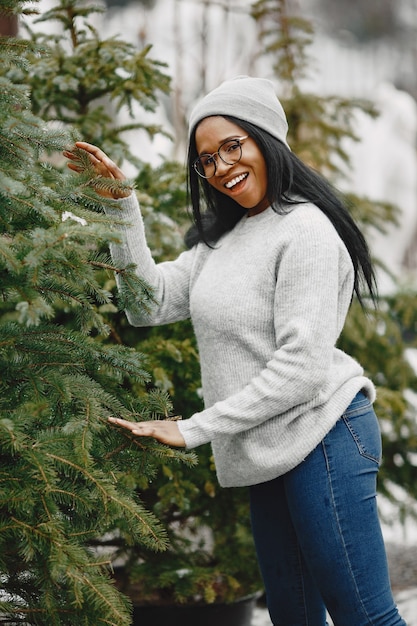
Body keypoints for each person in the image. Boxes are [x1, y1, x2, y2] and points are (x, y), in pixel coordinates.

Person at [65, 76, 406, 626]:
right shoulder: (221, 242)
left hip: (323, 437)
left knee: (363, 617)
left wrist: (194, 427)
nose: (220, 166)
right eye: (206, 159)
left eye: (232, 146)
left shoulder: (306, 231)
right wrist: (123, 210)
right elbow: (145, 303)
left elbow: (300, 370)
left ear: (265, 138)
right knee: (293, 618)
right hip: (266, 451)